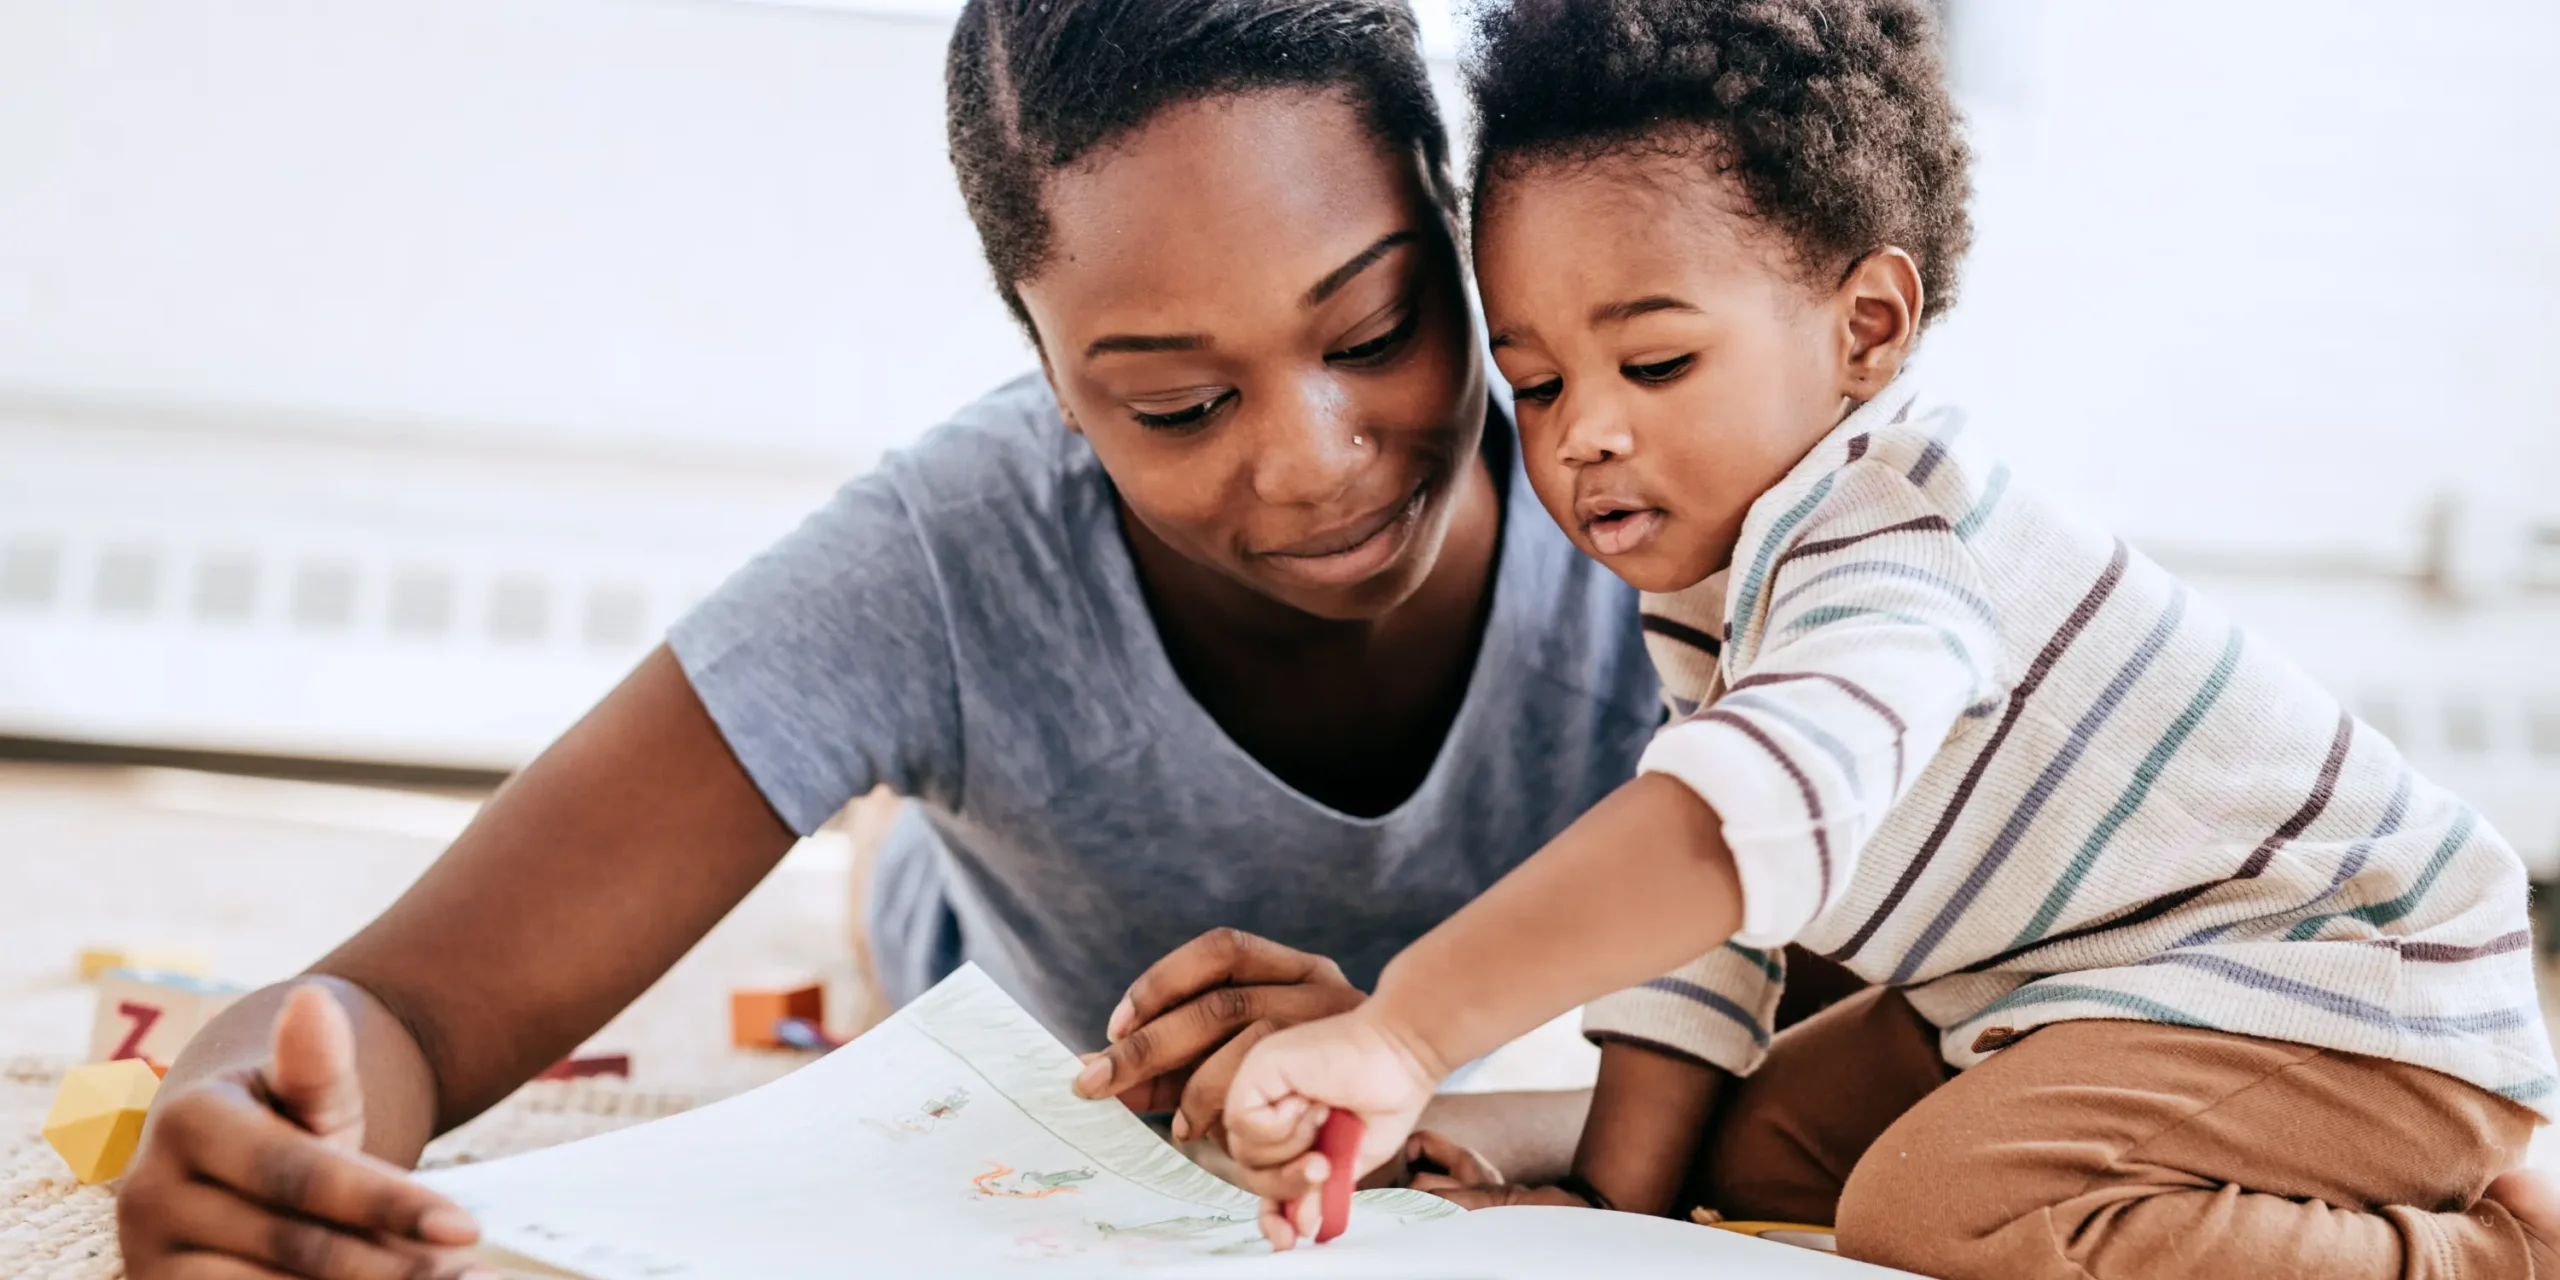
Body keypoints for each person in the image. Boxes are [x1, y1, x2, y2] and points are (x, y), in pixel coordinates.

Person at [111, 3, 1663, 1275]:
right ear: (1050, 374)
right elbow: (398, 1008)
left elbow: (1872, 1036)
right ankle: (891, 851)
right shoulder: (946, 559)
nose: (1316, 458)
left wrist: (1409, 1060)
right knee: (910, 907)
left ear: (1460, 230)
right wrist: (252, 1128)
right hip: (985, 965)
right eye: (1180, 404)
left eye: (1378, 330)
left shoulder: (1680, 492)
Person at [1218, 2, 2560, 1275]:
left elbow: (1741, 819)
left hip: (2337, 993)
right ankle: (1552, 1134)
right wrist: (1607, 1204)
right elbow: (1722, 928)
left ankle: (2499, 1249)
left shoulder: (1895, 536)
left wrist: (1407, 1031)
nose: (1585, 435)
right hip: (2077, 989)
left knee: (1939, 1212)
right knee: (1748, 1141)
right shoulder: (1732, 576)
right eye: (1539, 383)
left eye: (1657, 364)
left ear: (1865, 327)